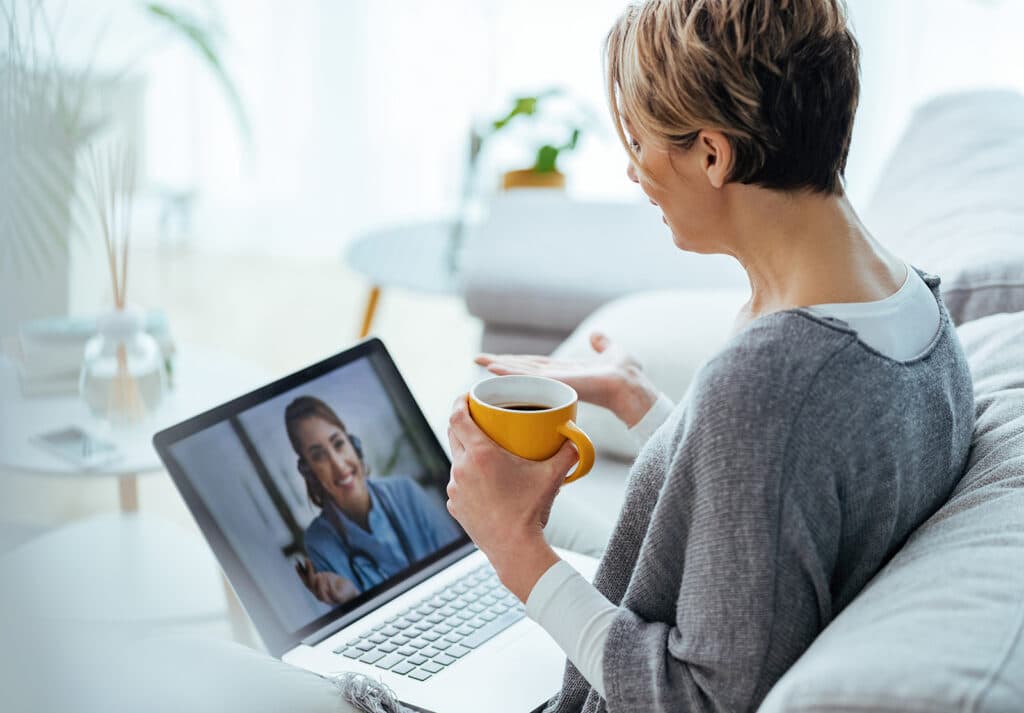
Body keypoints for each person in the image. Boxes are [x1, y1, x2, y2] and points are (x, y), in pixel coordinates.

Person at [444, 2, 975, 711]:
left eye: (639, 140)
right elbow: (774, 505)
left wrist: (517, 548)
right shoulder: (913, 305)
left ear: (713, 154)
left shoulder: (771, 383)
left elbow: (701, 697)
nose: (634, 172)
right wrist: (645, 404)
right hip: (642, 615)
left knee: (450, 514)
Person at [285, 395, 463, 605]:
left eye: (339, 444)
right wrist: (351, 599)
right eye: (318, 456)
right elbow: (349, 622)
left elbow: (460, 562)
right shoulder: (320, 542)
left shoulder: (405, 492)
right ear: (308, 471)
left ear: (353, 444)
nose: (339, 465)